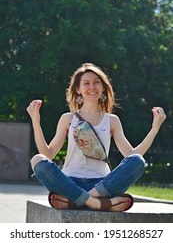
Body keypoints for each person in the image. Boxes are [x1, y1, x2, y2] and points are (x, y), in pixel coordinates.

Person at [26, 63, 166, 212]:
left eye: (96, 82)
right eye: (86, 83)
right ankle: (98, 203)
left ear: (103, 87)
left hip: (102, 185)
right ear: (78, 89)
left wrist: (155, 128)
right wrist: (36, 121)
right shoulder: (68, 118)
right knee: (37, 160)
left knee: (138, 161)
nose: (92, 87)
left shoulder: (112, 120)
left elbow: (130, 155)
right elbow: (48, 154)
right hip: (70, 182)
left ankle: (78, 200)